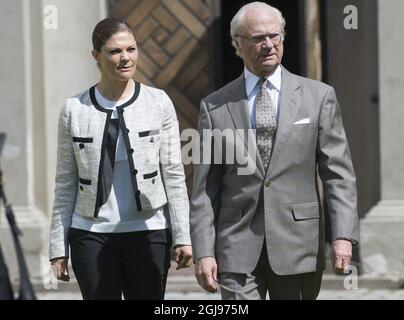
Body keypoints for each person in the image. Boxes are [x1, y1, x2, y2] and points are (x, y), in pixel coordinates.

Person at [190, 2, 358, 300]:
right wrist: (204, 251)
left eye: (274, 36)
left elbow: (338, 174)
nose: (268, 45)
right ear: (237, 45)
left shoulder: (319, 97)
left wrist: (342, 236)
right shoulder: (215, 106)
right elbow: (205, 188)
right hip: (237, 247)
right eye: (257, 38)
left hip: (298, 245)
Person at [49, 18, 192, 300]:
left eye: (131, 49)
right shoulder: (74, 109)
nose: (125, 58)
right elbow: (65, 182)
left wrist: (182, 236)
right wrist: (57, 246)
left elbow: (174, 174)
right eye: (115, 51)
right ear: (96, 56)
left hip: (149, 231)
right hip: (90, 232)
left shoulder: (159, 102)